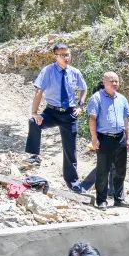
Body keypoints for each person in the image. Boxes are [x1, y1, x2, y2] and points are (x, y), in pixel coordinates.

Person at [25, 42, 88, 191]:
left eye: (68, 54)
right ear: (55, 56)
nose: (66, 57)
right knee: (34, 122)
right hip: (51, 112)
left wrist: (80, 106)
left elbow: (84, 89)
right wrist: (35, 113)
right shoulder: (48, 71)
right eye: (62, 55)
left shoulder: (75, 72)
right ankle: (34, 156)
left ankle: (73, 183)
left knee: (70, 150)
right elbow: (39, 91)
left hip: (69, 113)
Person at [86, 72, 129, 209]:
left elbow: (127, 120)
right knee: (103, 171)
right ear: (104, 81)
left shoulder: (122, 99)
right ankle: (101, 200)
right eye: (111, 81)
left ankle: (119, 198)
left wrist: (128, 139)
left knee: (120, 170)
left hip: (120, 138)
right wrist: (94, 138)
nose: (114, 84)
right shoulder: (97, 98)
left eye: (116, 81)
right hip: (104, 139)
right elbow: (92, 119)